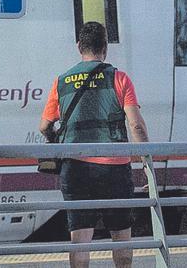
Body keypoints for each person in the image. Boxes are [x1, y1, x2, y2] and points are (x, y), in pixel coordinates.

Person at [38, 21, 150, 268]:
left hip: (75, 167)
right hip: (114, 168)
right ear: (105, 48)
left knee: (80, 239)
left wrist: (54, 140)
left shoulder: (62, 81)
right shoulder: (119, 78)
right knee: (121, 237)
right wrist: (145, 160)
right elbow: (137, 126)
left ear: (79, 47)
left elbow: (44, 126)